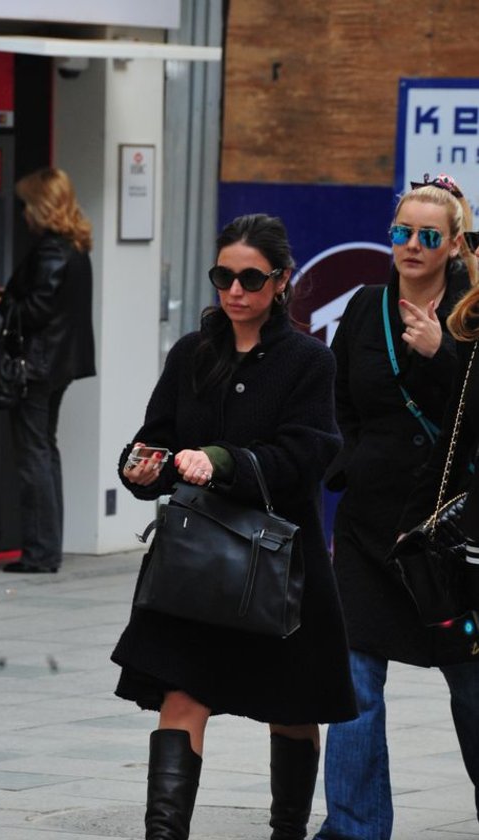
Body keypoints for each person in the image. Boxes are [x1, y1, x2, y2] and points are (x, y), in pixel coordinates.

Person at [112, 213, 357, 840]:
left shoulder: (308, 360)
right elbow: (158, 438)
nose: (235, 291)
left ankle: (286, 832)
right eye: (224, 277)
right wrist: (141, 467)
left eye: (251, 278)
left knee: (292, 707)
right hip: (195, 562)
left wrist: (223, 461)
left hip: (280, 564)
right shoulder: (191, 353)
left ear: (282, 280)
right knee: (181, 696)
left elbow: (308, 454)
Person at [313, 174, 479, 840]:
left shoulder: (472, 314)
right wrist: (350, 464)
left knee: (470, 684)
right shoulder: (364, 307)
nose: (412, 245)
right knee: (354, 679)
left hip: (452, 533)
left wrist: (443, 357)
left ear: (455, 244)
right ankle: (354, 828)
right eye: (402, 232)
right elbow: (339, 401)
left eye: (428, 236)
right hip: (369, 527)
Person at [0, 167, 95, 573]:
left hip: (37, 365)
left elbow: (36, 311)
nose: (23, 212)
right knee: (45, 450)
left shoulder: (51, 250)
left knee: (34, 457)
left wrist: (0, 304)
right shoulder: (75, 245)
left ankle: (40, 553)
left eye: (27, 204)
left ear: (41, 206)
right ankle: (47, 548)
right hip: (59, 364)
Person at [398, 248, 479, 822]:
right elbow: (454, 440)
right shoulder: (472, 333)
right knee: (471, 692)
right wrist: (414, 528)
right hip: (471, 553)